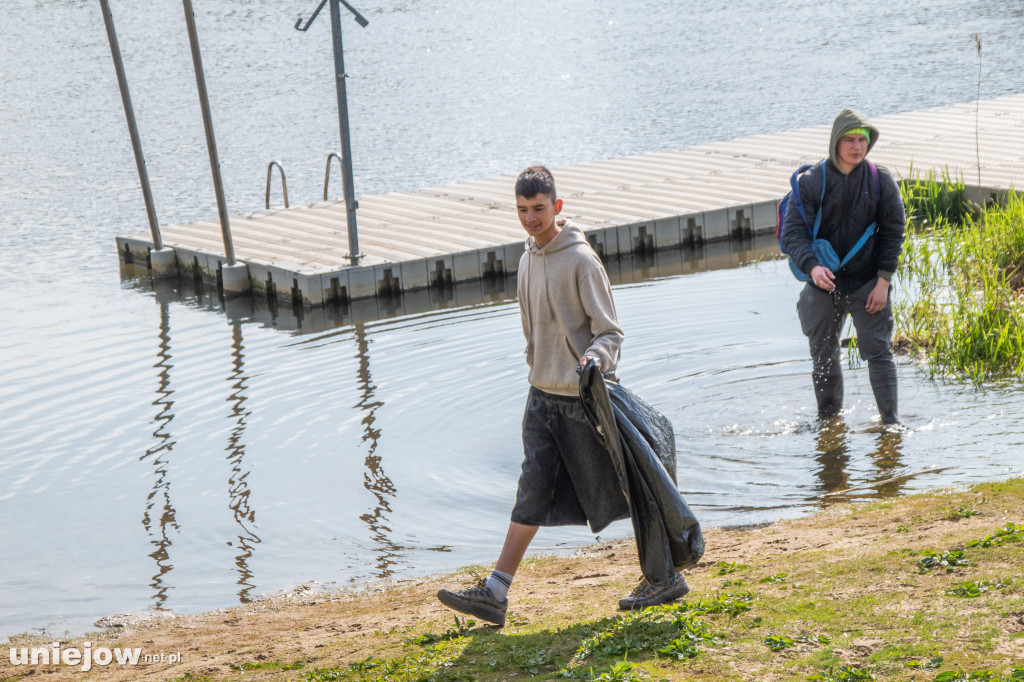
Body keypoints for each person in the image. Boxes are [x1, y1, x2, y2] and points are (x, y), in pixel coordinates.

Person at [436, 165, 689, 627]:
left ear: (557, 207)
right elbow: (532, 331)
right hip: (540, 397)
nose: (530, 219)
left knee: (629, 484)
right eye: (521, 210)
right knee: (531, 489)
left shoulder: (581, 261)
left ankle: (663, 576)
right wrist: (538, 368)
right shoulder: (525, 259)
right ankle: (495, 592)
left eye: (537, 209)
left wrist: (593, 358)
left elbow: (610, 332)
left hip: (584, 399)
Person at [782, 109, 906, 425]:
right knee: (823, 358)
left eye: (862, 140)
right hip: (822, 284)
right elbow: (792, 233)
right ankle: (829, 424)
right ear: (835, 142)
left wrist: (883, 282)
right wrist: (812, 268)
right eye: (849, 139)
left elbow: (894, 232)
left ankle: (890, 426)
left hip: (868, 283)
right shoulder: (813, 182)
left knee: (879, 354)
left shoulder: (881, 180)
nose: (856, 147)